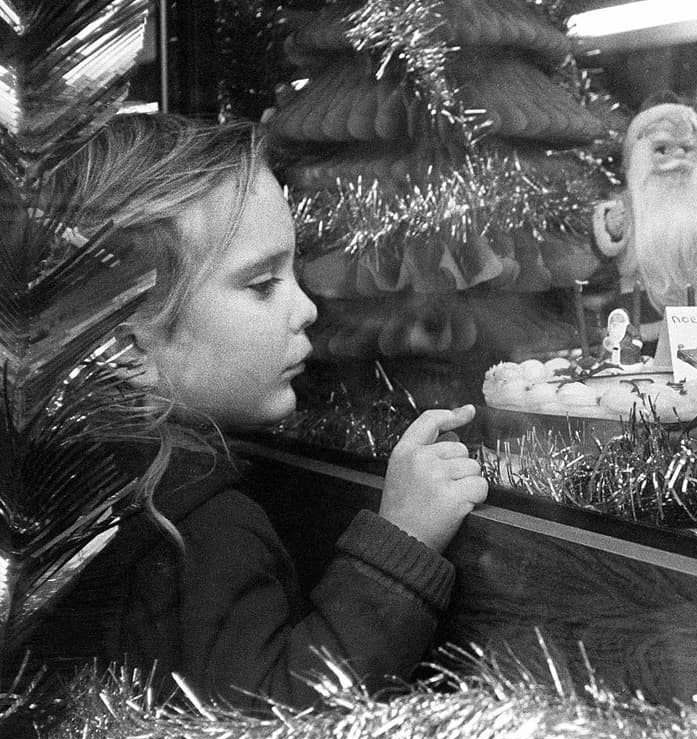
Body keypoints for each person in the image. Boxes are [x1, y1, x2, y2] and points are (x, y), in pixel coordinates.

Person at [29, 113, 489, 707]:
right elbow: (275, 722)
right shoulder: (195, 530)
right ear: (128, 346)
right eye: (262, 284)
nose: (307, 309)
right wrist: (402, 545)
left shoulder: (62, 483)